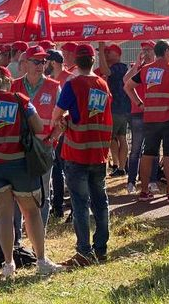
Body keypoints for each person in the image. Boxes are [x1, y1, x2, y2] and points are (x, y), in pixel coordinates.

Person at [0, 67, 63, 278]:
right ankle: (41, 260)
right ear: (9, 82)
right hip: (20, 164)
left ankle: (8, 264)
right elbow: (39, 126)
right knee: (31, 213)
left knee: (4, 215)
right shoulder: (20, 100)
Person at [50, 44, 113, 267]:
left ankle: (84, 252)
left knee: (79, 203)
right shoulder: (103, 85)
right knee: (100, 202)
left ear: (76, 62)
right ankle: (101, 249)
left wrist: (61, 122)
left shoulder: (73, 84)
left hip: (77, 151)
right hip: (99, 152)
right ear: (93, 61)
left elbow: (56, 114)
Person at [126, 40, 169, 204]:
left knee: (148, 153)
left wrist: (140, 104)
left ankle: (144, 191)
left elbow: (127, 86)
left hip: (150, 119)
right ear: (168, 51)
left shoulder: (146, 69)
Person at [12, 46, 61, 226]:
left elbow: (62, 119)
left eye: (43, 61)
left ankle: (39, 238)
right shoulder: (14, 86)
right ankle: (16, 238)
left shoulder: (54, 87)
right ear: (25, 63)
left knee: (43, 195)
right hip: (18, 149)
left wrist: (52, 139)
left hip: (43, 149)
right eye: (36, 61)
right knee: (16, 193)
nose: (41, 65)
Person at [124, 41, 157, 195]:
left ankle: (153, 180)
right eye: (144, 50)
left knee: (153, 149)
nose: (146, 53)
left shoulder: (158, 68)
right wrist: (137, 64)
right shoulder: (136, 67)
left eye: (149, 50)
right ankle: (131, 181)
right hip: (137, 112)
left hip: (153, 112)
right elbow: (126, 81)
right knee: (136, 148)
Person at [97, 44, 130, 178]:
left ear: (117, 54)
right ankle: (120, 167)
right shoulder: (119, 68)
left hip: (115, 108)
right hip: (121, 108)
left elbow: (105, 71)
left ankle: (117, 165)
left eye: (108, 53)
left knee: (111, 137)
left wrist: (100, 50)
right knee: (121, 137)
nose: (105, 55)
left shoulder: (119, 67)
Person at [45, 49, 69, 217]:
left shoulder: (66, 79)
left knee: (65, 169)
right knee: (57, 170)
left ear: (52, 63)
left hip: (65, 132)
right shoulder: (51, 80)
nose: (43, 66)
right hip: (54, 132)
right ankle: (58, 206)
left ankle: (67, 207)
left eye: (45, 62)